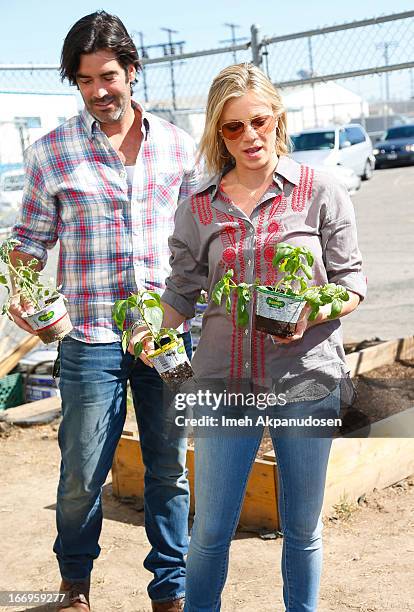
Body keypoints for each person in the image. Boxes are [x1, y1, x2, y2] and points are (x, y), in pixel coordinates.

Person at [130, 63, 366, 611]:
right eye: (232, 127)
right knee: (211, 528)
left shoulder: (319, 189)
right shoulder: (199, 206)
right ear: (218, 133)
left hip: (307, 377)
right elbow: (182, 290)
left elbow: (352, 282)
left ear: (277, 119)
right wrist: (150, 327)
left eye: (257, 121)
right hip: (222, 377)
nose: (248, 136)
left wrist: (314, 309)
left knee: (303, 527)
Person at [8, 11, 200, 612]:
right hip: (89, 340)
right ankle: (74, 589)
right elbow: (27, 241)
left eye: (108, 76)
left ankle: (170, 591)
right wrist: (20, 284)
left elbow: (200, 237)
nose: (99, 92)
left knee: (168, 468)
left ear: (132, 71)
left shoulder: (177, 146)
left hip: (168, 337)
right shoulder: (52, 154)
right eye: (85, 81)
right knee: (82, 473)